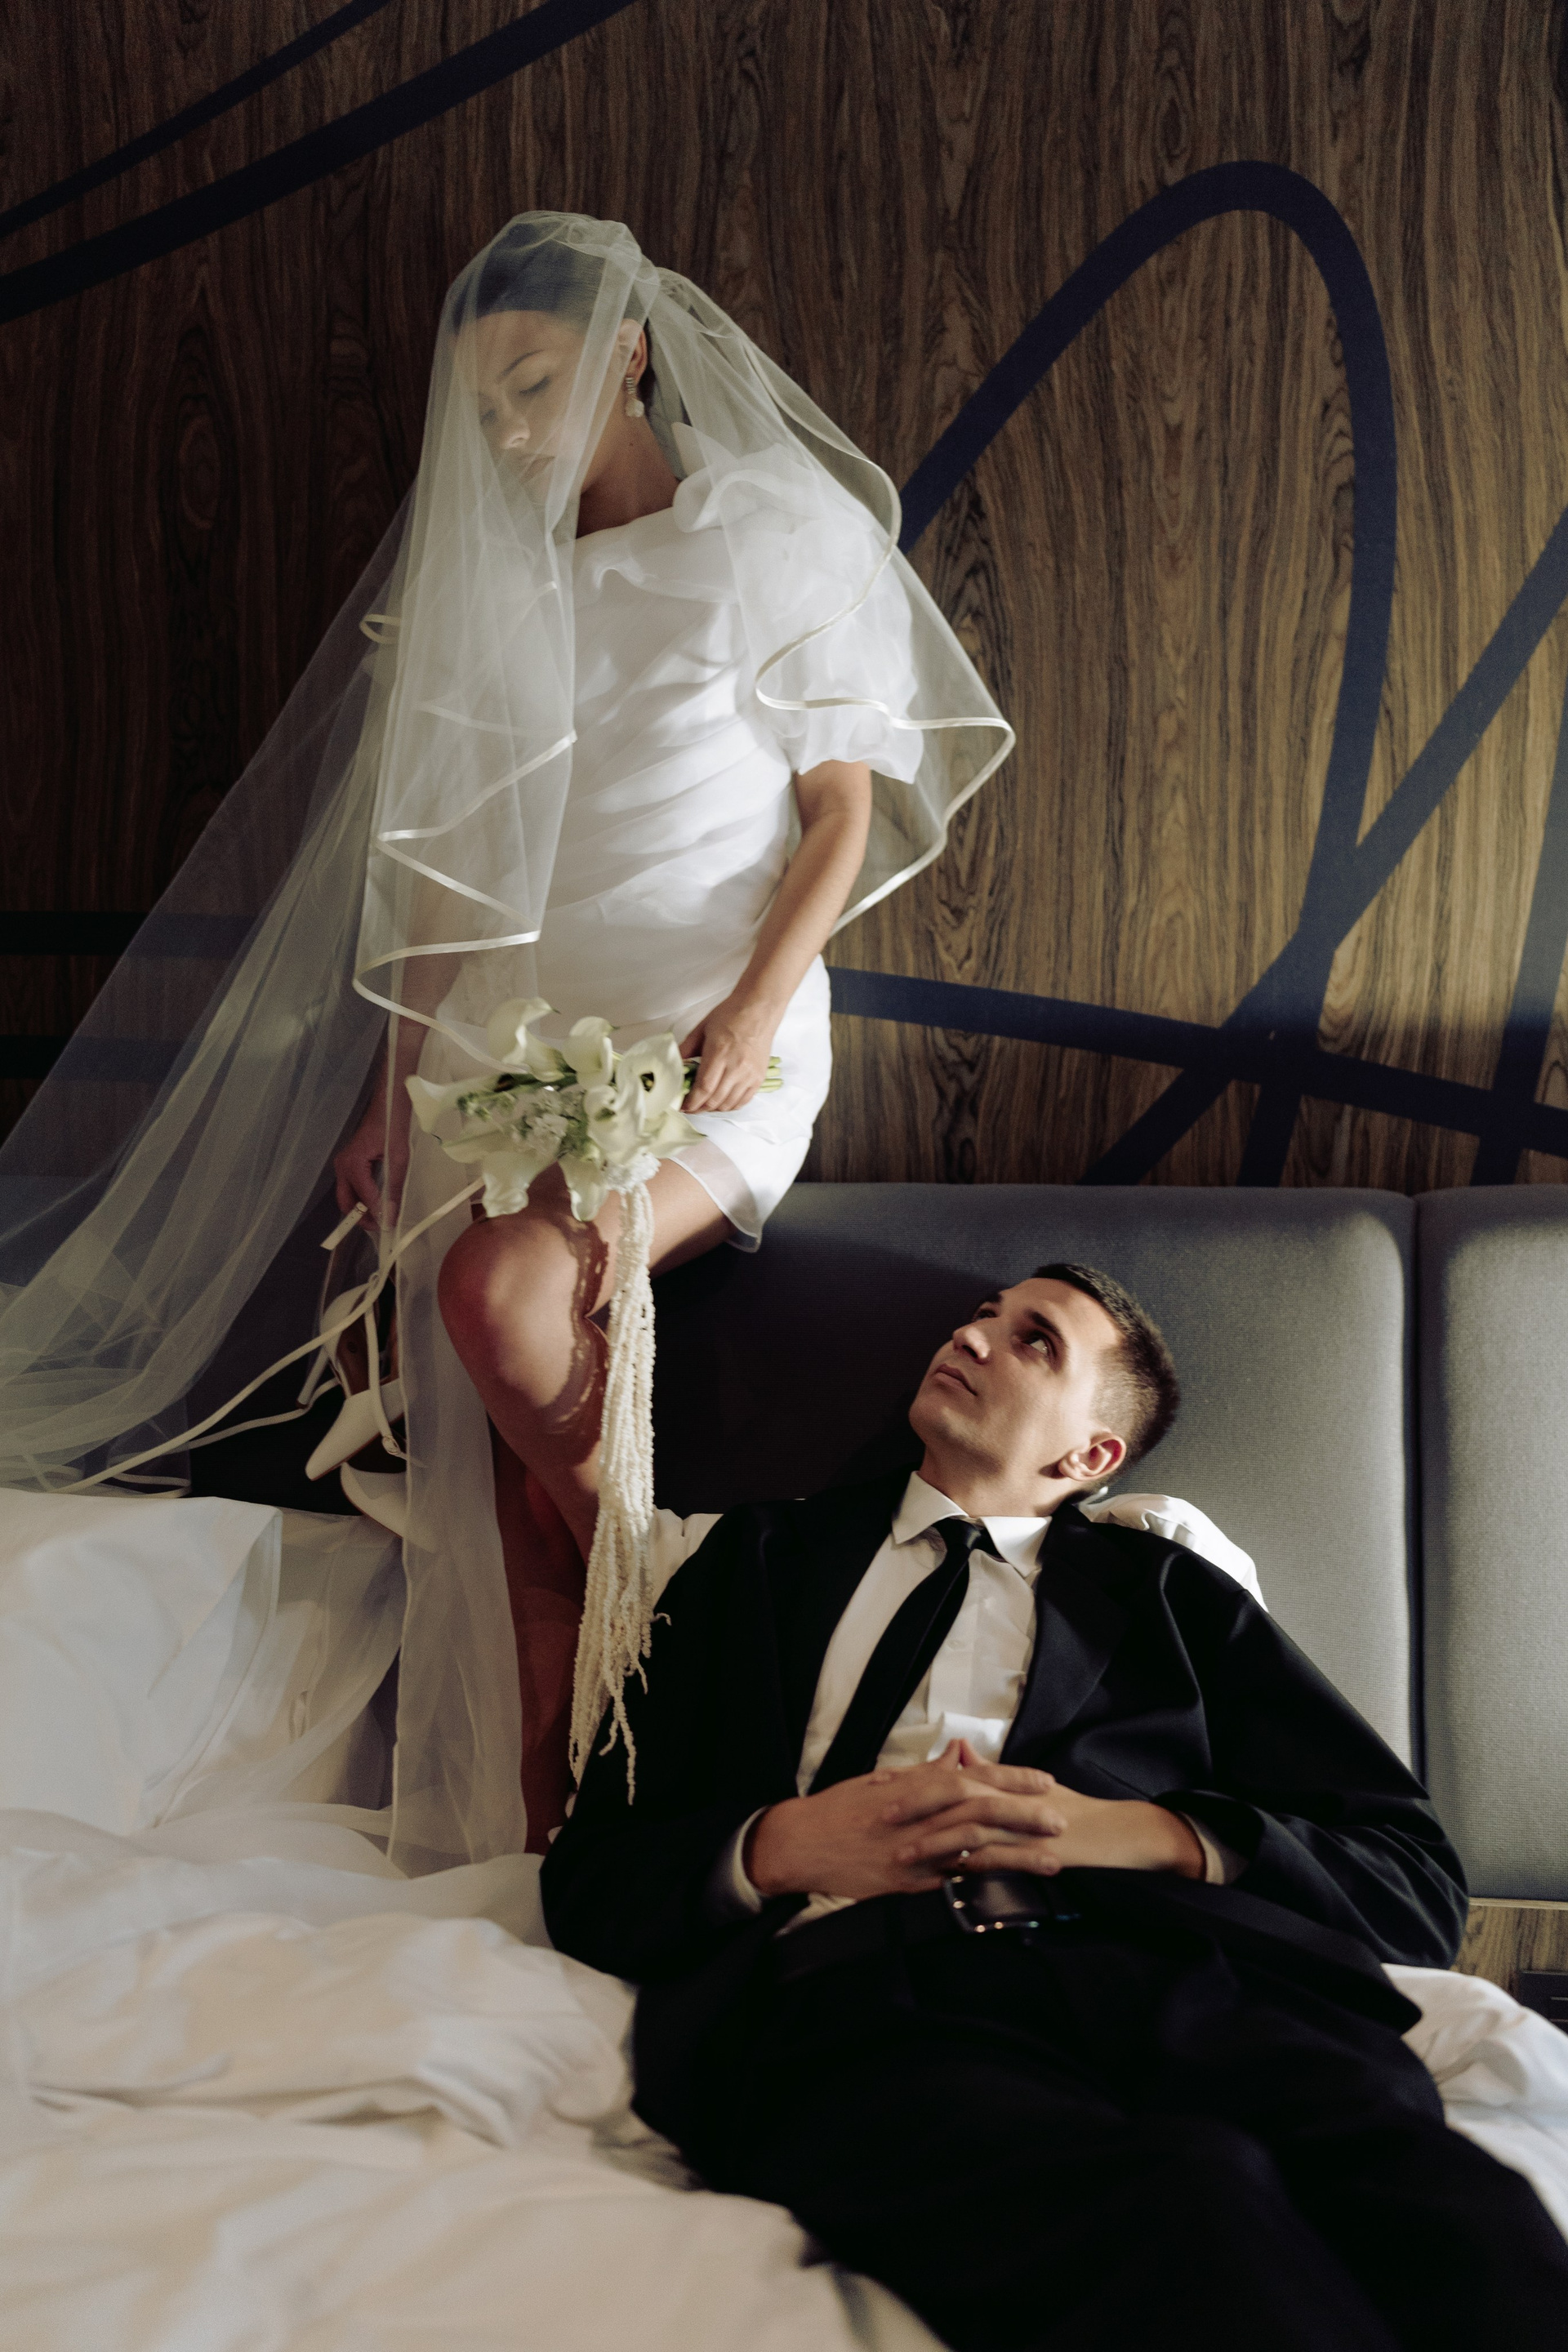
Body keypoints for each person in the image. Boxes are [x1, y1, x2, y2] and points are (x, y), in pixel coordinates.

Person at [0, 214, 1013, 1873]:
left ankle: (692, 1590)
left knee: (499, 1297)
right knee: (489, 1485)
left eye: (537, 387)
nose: (512, 433)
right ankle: (553, 1850)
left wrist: (756, 1005)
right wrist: (390, 1096)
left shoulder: (769, 532)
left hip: (704, 1045)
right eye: (484, 410)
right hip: (504, 1048)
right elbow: (448, 889)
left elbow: (841, 812)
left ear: (631, 354)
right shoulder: (495, 578)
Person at [541, 1262, 1568, 2351]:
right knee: (1180, 2206)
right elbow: (592, 1877)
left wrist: (1132, 1833)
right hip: (863, 1993)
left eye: (1035, 1339)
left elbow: (1412, 1885)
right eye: (982, 1315)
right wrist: (783, 1846)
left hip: (1180, 1977)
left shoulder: (1173, 1599)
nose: (973, 1335)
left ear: (1090, 1458)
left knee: (1451, 2212)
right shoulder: (752, 1561)